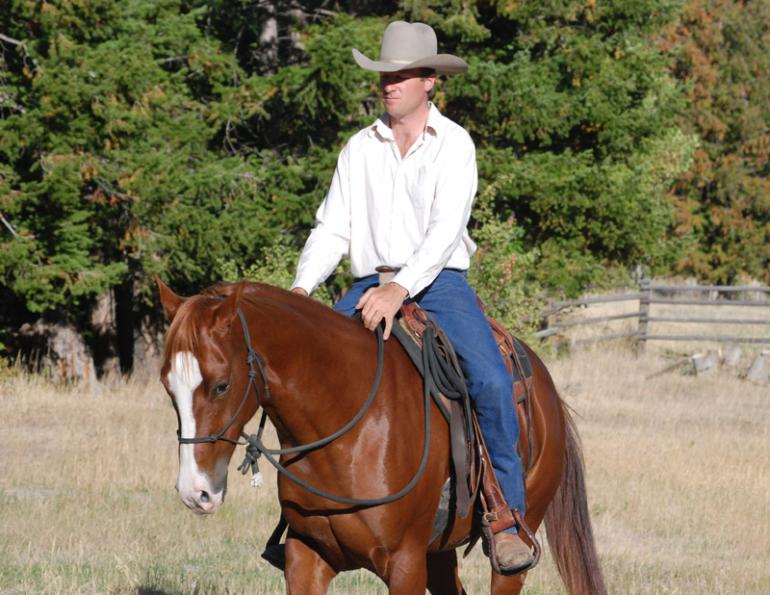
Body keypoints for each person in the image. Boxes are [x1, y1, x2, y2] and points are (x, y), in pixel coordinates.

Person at [290, 20, 534, 572]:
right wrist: (303, 289)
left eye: (401, 75)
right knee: (308, 374)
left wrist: (402, 287)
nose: (389, 84)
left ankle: (505, 516)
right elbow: (332, 229)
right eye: (384, 75)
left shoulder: (455, 145)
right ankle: (303, 515)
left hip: (439, 281)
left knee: (491, 380)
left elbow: (446, 230)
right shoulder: (359, 148)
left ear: (429, 81)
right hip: (365, 283)